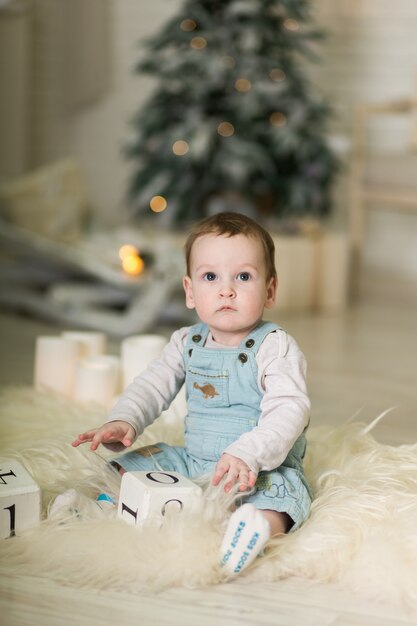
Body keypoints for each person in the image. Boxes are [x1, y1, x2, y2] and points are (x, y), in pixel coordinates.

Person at [70, 211, 312, 576]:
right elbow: (154, 384)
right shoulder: (187, 342)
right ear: (189, 290)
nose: (226, 289)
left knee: (282, 497)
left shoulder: (274, 347)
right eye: (210, 277)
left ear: (270, 290)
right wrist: (125, 419)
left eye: (243, 277)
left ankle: (256, 530)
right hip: (194, 460)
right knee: (128, 466)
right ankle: (102, 504)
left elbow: (290, 410)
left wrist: (249, 453)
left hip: (256, 467)